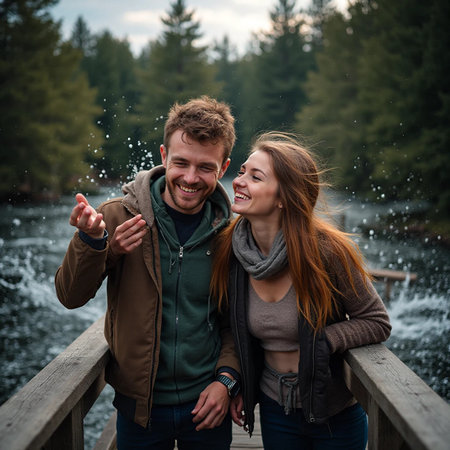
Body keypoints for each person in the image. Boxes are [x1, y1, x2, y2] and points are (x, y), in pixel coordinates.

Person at [55, 96, 241, 450]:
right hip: (138, 411)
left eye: (205, 167)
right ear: (163, 156)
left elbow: (234, 322)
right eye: (181, 162)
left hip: (207, 406)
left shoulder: (230, 235)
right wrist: (97, 245)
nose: (190, 178)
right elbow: (70, 297)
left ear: (224, 166)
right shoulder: (115, 216)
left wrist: (227, 381)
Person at [210, 131, 392, 450]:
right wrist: (234, 381)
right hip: (274, 405)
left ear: (283, 197)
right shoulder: (230, 252)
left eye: (255, 176)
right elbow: (228, 327)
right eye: (241, 171)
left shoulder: (328, 251)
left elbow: (377, 322)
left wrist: (323, 341)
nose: (238, 181)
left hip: (333, 409)